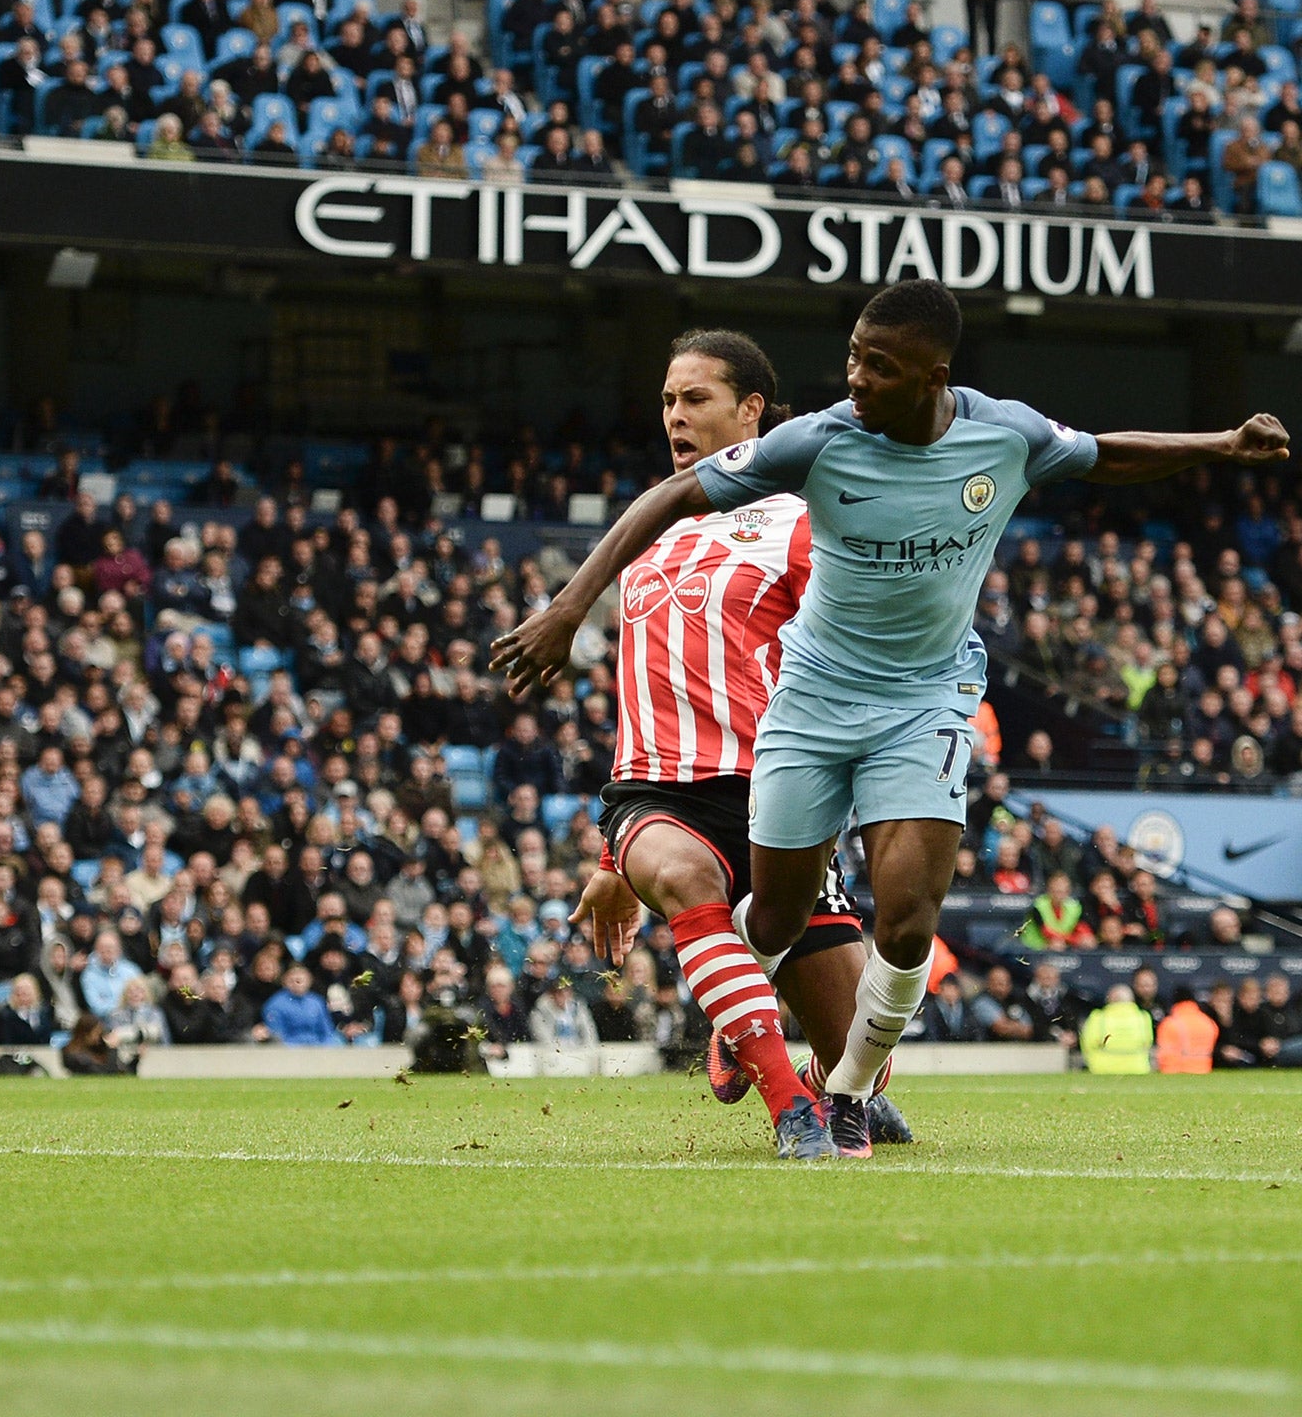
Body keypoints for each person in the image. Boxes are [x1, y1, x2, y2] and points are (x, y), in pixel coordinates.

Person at [494, 278, 1288, 1155]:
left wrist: (1221, 444)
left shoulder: (887, 476)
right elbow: (665, 541)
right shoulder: (750, 484)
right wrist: (571, 619)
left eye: (695, 398)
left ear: (931, 376)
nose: (855, 378)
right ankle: (762, 1045)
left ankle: (838, 1094)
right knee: (765, 920)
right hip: (765, 735)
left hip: (910, 706)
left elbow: (1104, 454)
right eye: (667, 400)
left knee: (905, 931)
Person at [567, 330, 910, 1162]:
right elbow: (641, 686)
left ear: (752, 409)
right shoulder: (648, 524)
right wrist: (614, 863)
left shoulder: (802, 520)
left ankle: (772, 1043)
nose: (674, 416)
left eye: (695, 399)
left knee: (861, 1058)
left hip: (777, 794)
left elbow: (853, 655)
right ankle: (791, 1110)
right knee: (687, 879)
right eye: (667, 401)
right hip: (657, 794)